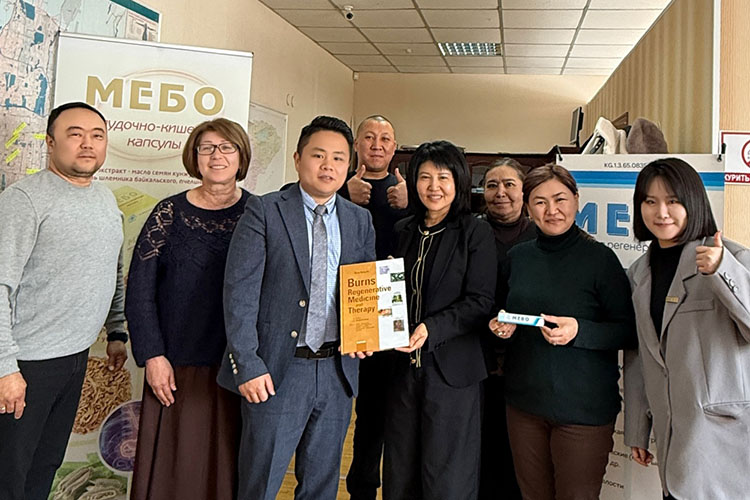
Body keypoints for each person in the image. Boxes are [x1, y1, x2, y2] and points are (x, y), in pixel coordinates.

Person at [217, 115, 376, 500]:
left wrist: (366, 333)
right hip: (276, 370)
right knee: (261, 483)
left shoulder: (359, 219)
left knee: (322, 485)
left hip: (337, 371)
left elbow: (363, 288)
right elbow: (239, 294)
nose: (328, 166)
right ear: (297, 158)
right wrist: (248, 364)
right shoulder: (265, 211)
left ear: (348, 166)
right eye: (318, 155)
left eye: (338, 158)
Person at [0, 101, 127, 500]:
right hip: (27, 363)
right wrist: (5, 367)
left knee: (46, 463)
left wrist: (117, 331)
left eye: (97, 135)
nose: (87, 144)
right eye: (75, 134)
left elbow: (112, 269)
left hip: (74, 357)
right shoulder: (25, 200)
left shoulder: (105, 199)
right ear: (50, 143)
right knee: (9, 474)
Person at [489, 164, 635, 500]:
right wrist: (500, 325)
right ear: (528, 208)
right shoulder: (518, 257)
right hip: (523, 406)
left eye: (560, 199)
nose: (551, 210)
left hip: (583, 412)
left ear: (577, 200)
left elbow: (628, 332)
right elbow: (501, 311)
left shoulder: (600, 260)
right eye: (540, 202)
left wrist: (579, 331)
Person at [125, 118, 251, 500]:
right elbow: (139, 291)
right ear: (194, 157)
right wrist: (152, 356)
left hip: (239, 366)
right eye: (206, 148)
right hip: (175, 366)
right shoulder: (168, 213)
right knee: (175, 472)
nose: (217, 156)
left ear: (241, 156)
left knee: (228, 469)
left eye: (227, 147)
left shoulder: (259, 213)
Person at [623, 158, 750, 500]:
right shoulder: (639, 273)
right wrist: (637, 427)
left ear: (693, 202)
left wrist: (721, 271)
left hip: (726, 440)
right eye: (650, 201)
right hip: (674, 439)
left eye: (673, 201)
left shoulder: (731, 257)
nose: (661, 212)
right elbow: (641, 353)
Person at [383, 140, 497, 500]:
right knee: (400, 471)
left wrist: (431, 328)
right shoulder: (403, 230)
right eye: (425, 177)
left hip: (452, 373)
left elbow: (480, 302)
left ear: (458, 181)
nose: (434, 186)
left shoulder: (475, 231)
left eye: (443, 177)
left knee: (447, 477)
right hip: (402, 371)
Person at [341, 115, 408, 500]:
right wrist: (343, 193)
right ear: (357, 144)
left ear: (394, 148)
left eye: (385, 138)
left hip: (388, 312)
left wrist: (411, 204)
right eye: (369, 137)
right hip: (339, 307)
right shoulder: (338, 184)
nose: (377, 144)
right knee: (336, 407)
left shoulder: (407, 192)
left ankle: (365, 489)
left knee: (376, 412)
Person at [477, 158, 534, 500]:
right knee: (482, 451)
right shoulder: (471, 232)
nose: (501, 192)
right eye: (492, 185)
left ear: (524, 191)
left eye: (509, 184)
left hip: (527, 362)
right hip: (478, 360)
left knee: (520, 456)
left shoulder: (541, 235)